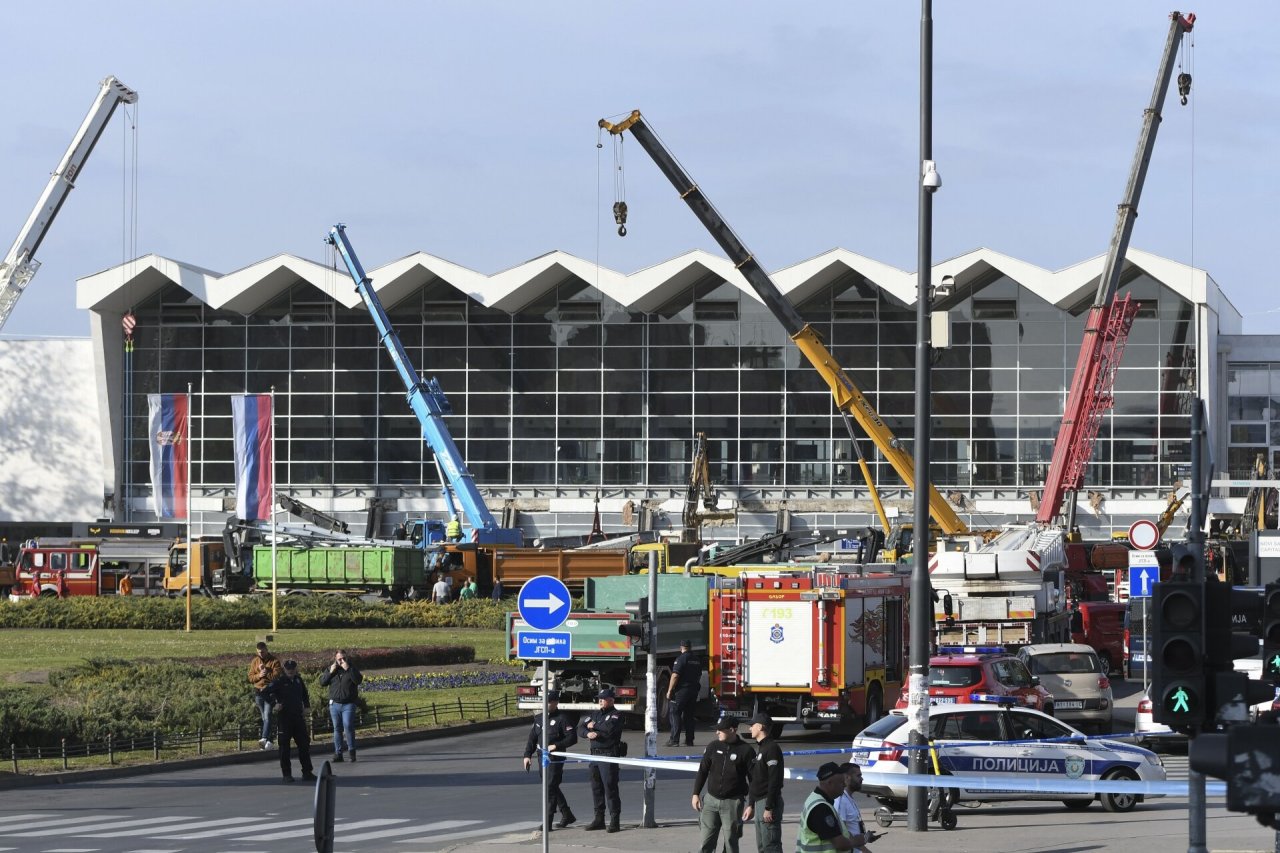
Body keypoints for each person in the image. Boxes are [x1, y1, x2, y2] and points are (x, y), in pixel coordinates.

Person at [692, 716, 755, 853]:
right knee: (705, 842)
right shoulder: (713, 746)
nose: (717, 732)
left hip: (733, 803)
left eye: (720, 730)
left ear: (732, 730)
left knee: (731, 843)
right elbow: (703, 770)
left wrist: (751, 805)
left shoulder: (746, 750)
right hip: (710, 801)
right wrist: (695, 793)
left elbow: (753, 780)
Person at [522, 690, 578, 830]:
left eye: (548, 702)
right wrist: (527, 755)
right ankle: (567, 814)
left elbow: (572, 738)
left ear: (555, 703)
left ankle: (548, 821)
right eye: (544, 702)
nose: (545, 704)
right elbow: (533, 738)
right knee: (550, 786)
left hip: (555, 758)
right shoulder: (539, 718)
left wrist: (556, 745)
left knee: (550, 787)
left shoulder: (562, 718)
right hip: (542, 757)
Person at [579, 687, 624, 833]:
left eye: (603, 699)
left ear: (611, 700)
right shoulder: (595, 713)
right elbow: (580, 728)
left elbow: (609, 729)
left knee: (610, 788)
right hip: (594, 756)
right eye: (599, 698)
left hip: (608, 755)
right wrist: (587, 734)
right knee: (596, 788)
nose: (600, 701)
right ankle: (599, 819)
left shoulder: (616, 714)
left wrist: (594, 726)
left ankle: (614, 821)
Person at [263, 659, 315, 783]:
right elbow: (264, 693)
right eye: (288, 669)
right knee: (284, 747)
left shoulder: (298, 680)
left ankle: (307, 772)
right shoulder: (279, 681)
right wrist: (274, 704)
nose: (290, 671)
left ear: (296, 668)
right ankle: (286, 774)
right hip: (285, 718)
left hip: (298, 717)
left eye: (292, 668)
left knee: (304, 744)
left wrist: (306, 706)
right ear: (284, 669)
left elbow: (305, 694)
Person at [747, 711, 785, 853]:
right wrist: (751, 804)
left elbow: (774, 780)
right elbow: (757, 779)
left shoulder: (772, 748)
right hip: (759, 802)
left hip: (767, 803)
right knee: (762, 846)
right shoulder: (762, 748)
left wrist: (769, 807)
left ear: (761, 727)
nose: (750, 728)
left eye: (752, 725)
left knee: (771, 846)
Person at [796, 763, 854, 853]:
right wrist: (858, 841)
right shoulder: (821, 808)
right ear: (830, 783)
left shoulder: (815, 798)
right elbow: (840, 844)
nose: (845, 785)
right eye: (841, 782)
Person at [319, 649, 362, 762]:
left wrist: (348, 669)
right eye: (339, 659)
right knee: (337, 728)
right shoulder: (331, 669)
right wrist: (330, 672)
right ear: (335, 659)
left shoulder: (351, 668)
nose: (342, 661)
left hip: (348, 704)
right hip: (335, 704)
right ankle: (338, 753)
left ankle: (352, 751)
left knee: (348, 725)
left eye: (344, 658)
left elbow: (358, 680)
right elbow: (322, 682)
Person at [834, 763, 879, 853]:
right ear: (847, 777)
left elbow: (852, 827)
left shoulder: (849, 798)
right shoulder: (841, 800)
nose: (861, 779)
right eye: (858, 776)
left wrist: (865, 837)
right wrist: (864, 850)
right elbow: (842, 832)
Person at [666, 638, 702, 746]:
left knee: (675, 713)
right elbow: (699, 674)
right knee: (689, 716)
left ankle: (674, 740)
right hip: (693, 690)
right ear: (690, 647)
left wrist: (670, 690)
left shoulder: (681, 659)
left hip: (681, 691)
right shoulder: (696, 659)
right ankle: (689, 740)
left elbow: (675, 675)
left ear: (681, 647)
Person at [248, 641, 283, 750]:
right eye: (259, 652)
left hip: (269, 692)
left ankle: (263, 738)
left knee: (267, 715)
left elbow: (276, 677)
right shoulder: (255, 661)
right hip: (258, 692)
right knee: (264, 717)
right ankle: (270, 741)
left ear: (267, 650)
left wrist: (266, 671)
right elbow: (250, 678)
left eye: (263, 652)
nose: (261, 654)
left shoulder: (274, 661)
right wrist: (259, 675)